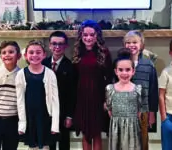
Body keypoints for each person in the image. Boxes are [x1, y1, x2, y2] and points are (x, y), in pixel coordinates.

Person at [72, 20, 113, 150]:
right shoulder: (77, 53)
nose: (88, 38)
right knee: (85, 132)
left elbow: (109, 78)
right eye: (85, 35)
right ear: (81, 36)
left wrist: (106, 99)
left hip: (98, 96)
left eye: (92, 35)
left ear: (97, 36)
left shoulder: (104, 53)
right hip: (82, 97)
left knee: (96, 132)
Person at [16, 40, 60, 150]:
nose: (34, 55)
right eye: (31, 52)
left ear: (44, 55)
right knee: (33, 147)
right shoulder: (21, 74)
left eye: (38, 52)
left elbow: (55, 101)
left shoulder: (50, 74)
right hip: (30, 117)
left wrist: (55, 124)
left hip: (44, 117)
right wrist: (22, 123)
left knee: (44, 146)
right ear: (25, 55)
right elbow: (20, 100)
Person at [123, 30, 159, 150]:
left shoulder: (149, 65)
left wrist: (152, 112)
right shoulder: (121, 64)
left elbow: (153, 90)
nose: (131, 45)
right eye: (128, 42)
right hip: (124, 112)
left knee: (142, 142)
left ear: (141, 45)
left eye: (135, 42)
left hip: (143, 111)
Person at [106, 48, 145, 150]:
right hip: (116, 129)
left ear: (133, 71)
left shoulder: (138, 89)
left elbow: (139, 111)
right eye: (121, 70)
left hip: (133, 130)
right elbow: (110, 110)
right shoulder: (110, 89)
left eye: (128, 70)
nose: (124, 73)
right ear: (116, 71)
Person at [42, 31, 76, 150]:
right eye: (54, 43)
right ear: (49, 45)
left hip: (63, 111)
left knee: (63, 141)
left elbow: (72, 93)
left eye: (61, 44)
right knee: (49, 141)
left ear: (66, 46)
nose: (57, 47)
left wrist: (69, 116)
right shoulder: (42, 64)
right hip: (46, 111)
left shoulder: (71, 66)